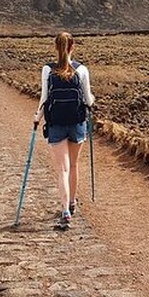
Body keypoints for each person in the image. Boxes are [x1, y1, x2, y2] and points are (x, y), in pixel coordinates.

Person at [33, 32, 95, 230]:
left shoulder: (47, 70)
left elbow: (44, 98)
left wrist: (37, 117)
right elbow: (88, 99)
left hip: (56, 123)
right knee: (74, 165)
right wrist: (92, 101)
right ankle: (72, 202)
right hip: (77, 122)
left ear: (55, 47)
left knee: (62, 169)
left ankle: (65, 210)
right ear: (72, 47)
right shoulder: (81, 69)